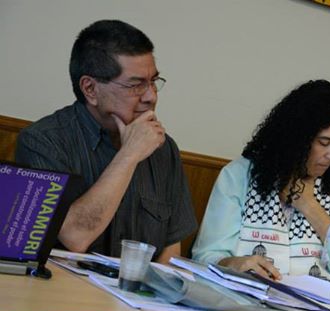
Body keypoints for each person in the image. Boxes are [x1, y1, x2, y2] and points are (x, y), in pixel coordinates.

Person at [14, 20, 196, 263]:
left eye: (153, 81)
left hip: (136, 287)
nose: (151, 96)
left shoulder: (163, 147)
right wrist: (129, 155)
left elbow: (170, 254)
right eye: (136, 85)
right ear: (90, 89)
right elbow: (75, 237)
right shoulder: (43, 141)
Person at [192, 80, 330, 282]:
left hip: (315, 302)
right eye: (324, 142)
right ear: (297, 138)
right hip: (246, 297)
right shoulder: (240, 175)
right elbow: (205, 256)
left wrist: (310, 206)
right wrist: (233, 264)